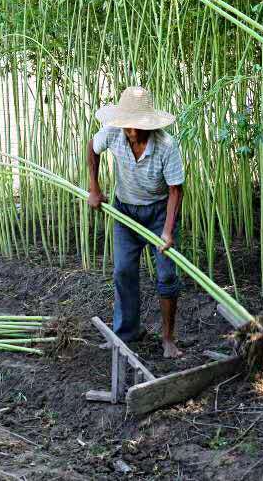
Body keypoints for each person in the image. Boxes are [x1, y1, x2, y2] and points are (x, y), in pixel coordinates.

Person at [87, 86, 185, 358]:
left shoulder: (166, 145)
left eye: (137, 127)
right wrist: (94, 188)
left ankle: (168, 339)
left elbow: (176, 189)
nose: (131, 132)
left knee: (166, 276)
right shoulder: (113, 132)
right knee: (123, 272)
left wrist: (167, 231)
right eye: (127, 126)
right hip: (125, 212)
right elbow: (92, 149)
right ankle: (127, 333)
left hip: (159, 214)